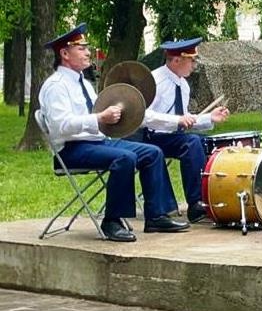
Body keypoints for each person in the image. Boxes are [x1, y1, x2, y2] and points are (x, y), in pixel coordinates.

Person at [38, 23, 187, 242]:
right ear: (64, 53)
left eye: (86, 47)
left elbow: (98, 118)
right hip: (71, 149)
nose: (88, 52)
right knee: (125, 158)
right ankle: (112, 221)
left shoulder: (85, 84)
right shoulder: (56, 86)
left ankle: (156, 216)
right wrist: (99, 118)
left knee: (153, 153)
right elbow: (62, 126)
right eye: (81, 48)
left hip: (97, 142)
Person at [142, 37, 230, 223]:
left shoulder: (183, 84)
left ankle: (215, 197)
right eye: (191, 60)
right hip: (151, 136)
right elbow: (143, 116)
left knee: (209, 143)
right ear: (176, 60)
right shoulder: (154, 81)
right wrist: (177, 120)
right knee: (192, 142)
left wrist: (209, 118)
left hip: (174, 136)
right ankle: (196, 203)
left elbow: (185, 118)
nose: (194, 64)